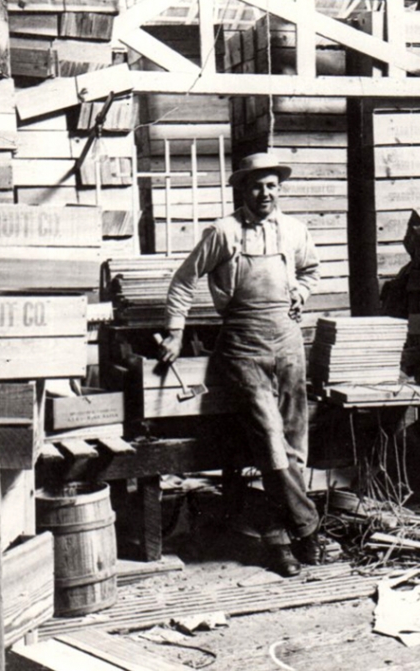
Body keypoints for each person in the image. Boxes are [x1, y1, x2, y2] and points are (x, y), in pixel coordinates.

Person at [159, 152, 321, 577]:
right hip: (243, 343)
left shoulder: (295, 230)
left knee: (295, 443)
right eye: (256, 186)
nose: (264, 193)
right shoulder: (224, 232)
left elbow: (311, 272)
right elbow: (183, 279)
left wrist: (301, 295)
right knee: (270, 440)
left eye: (271, 185)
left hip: (288, 340)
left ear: (279, 189)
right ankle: (305, 530)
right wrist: (175, 332)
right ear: (241, 190)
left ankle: (279, 535)